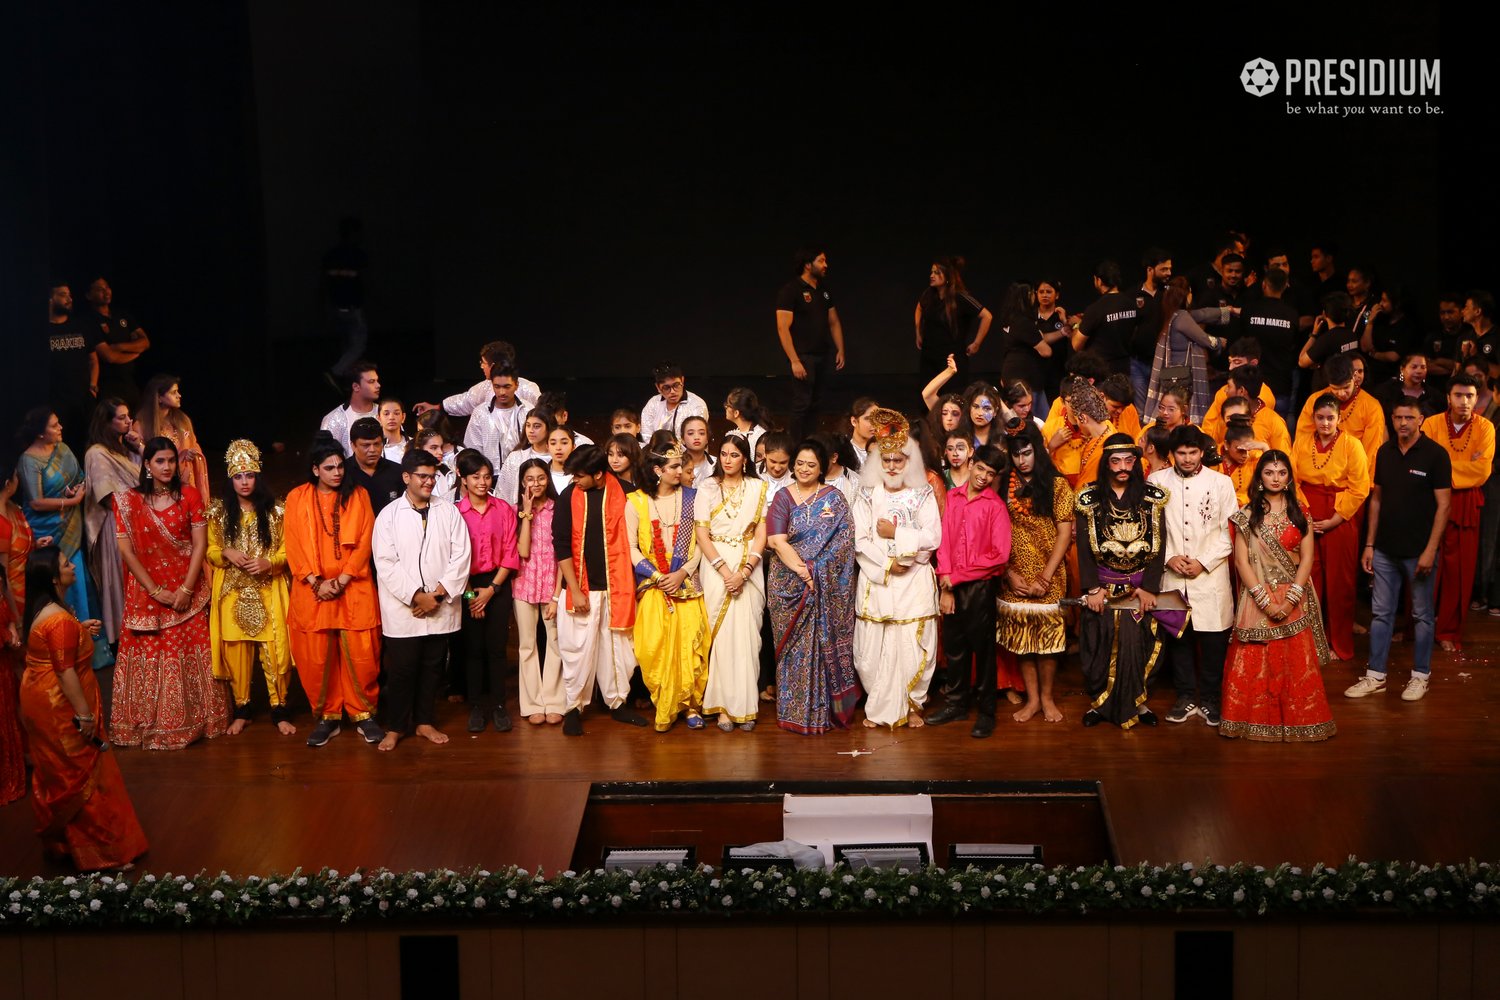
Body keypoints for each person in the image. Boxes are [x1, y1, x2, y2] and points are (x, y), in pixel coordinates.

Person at [19, 547, 149, 870]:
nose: (72, 567)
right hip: (59, 707)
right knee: (81, 776)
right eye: (66, 564)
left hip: (42, 700)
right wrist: (85, 716)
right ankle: (105, 853)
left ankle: (66, 843)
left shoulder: (48, 610)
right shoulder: (58, 621)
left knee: (61, 772)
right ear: (53, 578)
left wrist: (79, 630)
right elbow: (65, 673)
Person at [111, 436, 228, 749]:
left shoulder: (189, 495)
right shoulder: (128, 501)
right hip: (146, 595)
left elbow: (200, 544)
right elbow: (126, 550)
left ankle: (201, 720)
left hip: (186, 589)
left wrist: (186, 589)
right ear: (147, 465)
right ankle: (144, 724)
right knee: (152, 653)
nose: (167, 467)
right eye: (160, 461)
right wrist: (155, 590)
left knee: (187, 651)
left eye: (171, 460)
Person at [1219, 451, 1337, 742]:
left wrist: (1291, 598)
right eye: (1269, 472)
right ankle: (1252, 724)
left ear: (1289, 478)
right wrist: (1265, 601)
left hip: (1292, 593)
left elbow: (1307, 558)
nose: (1276, 478)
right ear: (1260, 477)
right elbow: (1241, 562)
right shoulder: (1247, 515)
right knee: (1255, 661)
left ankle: (1300, 723)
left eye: (1282, 473)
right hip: (1257, 595)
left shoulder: (1300, 512)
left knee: (1294, 663)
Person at [1075, 434, 1184, 729]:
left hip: (1139, 591)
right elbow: (1084, 548)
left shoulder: (1152, 498)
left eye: (1128, 460)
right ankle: (1100, 704)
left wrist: (1149, 588)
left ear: (1136, 462)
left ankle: (1139, 702)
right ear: (1106, 463)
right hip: (1103, 589)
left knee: (1140, 647)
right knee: (1099, 647)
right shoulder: (1088, 499)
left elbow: (1160, 545)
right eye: (1116, 461)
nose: (1123, 467)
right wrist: (1092, 589)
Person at [1346, 401, 1451, 702]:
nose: (1403, 422)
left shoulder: (1436, 455)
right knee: (1381, 614)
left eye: (1409, 417)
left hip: (1419, 551)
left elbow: (1444, 506)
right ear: (1392, 420)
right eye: (1398, 417)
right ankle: (1375, 676)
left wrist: (1430, 550)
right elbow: (1377, 500)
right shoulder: (1384, 452)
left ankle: (1420, 676)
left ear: (1421, 420)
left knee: (1422, 615)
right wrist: (1370, 544)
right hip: (1385, 550)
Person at [284, 434, 385, 748]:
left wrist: (342, 579)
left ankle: (363, 714)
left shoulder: (359, 495)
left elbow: (366, 539)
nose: (337, 472)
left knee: (363, 654)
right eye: (329, 468)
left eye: (340, 466)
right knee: (316, 657)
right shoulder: (297, 498)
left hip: (353, 587)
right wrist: (316, 582)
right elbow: (293, 544)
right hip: (312, 590)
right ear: (316, 469)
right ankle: (328, 716)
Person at [372, 449, 472, 750]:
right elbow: (385, 562)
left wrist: (437, 595)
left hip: (439, 605)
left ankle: (425, 722)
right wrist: (416, 596)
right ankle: (396, 726)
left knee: (432, 668)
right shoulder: (389, 515)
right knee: (402, 671)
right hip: (404, 610)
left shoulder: (448, 511)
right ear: (406, 477)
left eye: (432, 476)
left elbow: (461, 555)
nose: (429, 482)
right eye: (422, 476)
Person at [850, 411, 941, 729]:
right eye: (886, 460)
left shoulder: (922, 493)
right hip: (878, 579)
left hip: (914, 580)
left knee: (912, 645)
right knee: (872, 648)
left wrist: (897, 536)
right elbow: (860, 540)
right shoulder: (866, 493)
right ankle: (878, 706)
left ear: (909, 461)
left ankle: (912, 705)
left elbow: (933, 536)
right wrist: (889, 563)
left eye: (898, 460)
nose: (891, 466)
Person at [765, 438, 860, 733]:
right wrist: (805, 572)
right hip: (787, 586)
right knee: (791, 650)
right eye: (800, 464)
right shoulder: (782, 497)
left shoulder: (835, 499)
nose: (804, 469)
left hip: (825, 587)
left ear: (822, 468)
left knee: (821, 647)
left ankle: (824, 713)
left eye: (811, 464)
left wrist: (817, 571)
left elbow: (845, 542)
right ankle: (793, 712)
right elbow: (775, 541)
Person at [552, 446, 647, 735]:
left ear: (597, 474)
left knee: (618, 649)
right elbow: (561, 545)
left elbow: (639, 541)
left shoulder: (628, 493)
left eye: (579, 475)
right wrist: (574, 589)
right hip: (582, 587)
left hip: (618, 588)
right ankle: (573, 707)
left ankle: (617, 703)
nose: (574, 480)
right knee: (577, 650)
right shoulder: (569, 496)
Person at [1150, 427, 1238, 726]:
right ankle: (1185, 697)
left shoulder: (1221, 483)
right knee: (1179, 638)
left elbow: (1229, 533)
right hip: (1172, 574)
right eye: (1181, 453)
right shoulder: (1157, 482)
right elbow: (1151, 530)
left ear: (1202, 452)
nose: (1187, 459)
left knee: (1213, 640)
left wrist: (1203, 562)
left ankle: (1211, 699)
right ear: (1172, 454)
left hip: (1210, 575)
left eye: (1193, 452)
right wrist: (1168, 557)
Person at [205, 440, 294, 736]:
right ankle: (242, 710)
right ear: (231, 479)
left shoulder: (277, 512)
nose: (244, 482)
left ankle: (279, 710)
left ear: (258, 476)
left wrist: (270, 563)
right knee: (236, 651)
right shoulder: (218, 513)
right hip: (232, 593)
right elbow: (209, 550)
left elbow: (288, 551)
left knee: (275, 651)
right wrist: (226, 552)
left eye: (250, 475)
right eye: (239, 476)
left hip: (268, 590)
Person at [928, 444, 1012, 737]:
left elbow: (999, 556)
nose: (983, 477)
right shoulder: (953, 498)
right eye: (981, 469)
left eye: (990, 474)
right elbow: (944, 542)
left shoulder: (995, 507)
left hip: (979, 588)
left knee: (983, 651)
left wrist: (957, 577)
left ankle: (987, 712)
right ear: (972, 463)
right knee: (955, 647)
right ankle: (956, 704)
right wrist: (946, 581)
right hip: (951, 584)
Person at [625, 440, 709, 731]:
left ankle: (691, 706)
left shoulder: (693, 498)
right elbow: (630, 547)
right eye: (673, 467)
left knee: (691, 643)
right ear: (657, 470)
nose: (680, 472)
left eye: (680, 466)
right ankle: (665, 704)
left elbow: (702, 542)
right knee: (653, 646)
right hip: (654, 584)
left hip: (687, 582)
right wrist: (658, 576)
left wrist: (682, 572)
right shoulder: (636, 501)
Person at [16, 407, 106, 669]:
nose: (60, 428)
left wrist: (74, 490)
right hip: (47, 531)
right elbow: (36, 501)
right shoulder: (28, 460)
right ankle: (61, 650)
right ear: (40, 433)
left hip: (71, 527)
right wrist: (72, 502)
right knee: (54, 583)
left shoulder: (63, 449)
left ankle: (89, 650)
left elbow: (79, 478)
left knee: (77, 581)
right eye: (54, 426)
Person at [997, 429, 1074, 724]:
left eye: (1027, 453)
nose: (1022, 460)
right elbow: (995, 531)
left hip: (1049, 571)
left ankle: (1047, 699)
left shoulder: (1057, 484)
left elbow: (1064, 534)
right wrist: (1008, 573)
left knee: (1048, 642)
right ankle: (1032, 700)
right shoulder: (1004, 484)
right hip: (1014, 572)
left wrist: (1045, 576)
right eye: (1016, 454)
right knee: (1023, 641)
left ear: (1037, 451)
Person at [696, 434, 768, 732]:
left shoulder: (757, 488)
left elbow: (761, 533)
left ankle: (746, 707)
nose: (727, 460)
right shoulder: (707, 487)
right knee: (723, 639)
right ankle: (723, 708)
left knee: (748, 638)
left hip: (749, 564)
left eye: (734, 455)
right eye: (723, 454)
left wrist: (746, 570)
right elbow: (702, 535)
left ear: (745, 459)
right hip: (716, 566)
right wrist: (726, 573)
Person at [1291, 393, 1371, 662]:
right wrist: (1305, 516)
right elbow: (1293, 481)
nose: (1325, 423)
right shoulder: (1302, 442)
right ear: (1313, 418)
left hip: (1340, 517)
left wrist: (1335, 519)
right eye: (1320, 418)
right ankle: (1311, 641)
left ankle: (1339, 643)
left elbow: (1360, 488)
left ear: (1339, 418)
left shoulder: (1352, 445)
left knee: (1340, 583)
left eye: (1330, 418)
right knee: (1309, 580)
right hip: (1308, 515)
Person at [1422, 373, 1496, 652]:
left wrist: (1443, 466)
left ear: (1477, 399)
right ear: (1448, 397)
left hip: (1465, 503)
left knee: (1458, 570)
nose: (1464, 401)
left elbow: (1482, 471)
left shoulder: (1486, 427)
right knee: (1424, 566)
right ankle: (1417, 627)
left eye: (1470, 396)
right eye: (1458, 395)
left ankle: (1448, 631)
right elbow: (1424, 465)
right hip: (1430, 500)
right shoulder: (1431, 424)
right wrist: (1463, 463)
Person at [454, 449, 518, 733]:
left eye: (487, 476)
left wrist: (491, 590)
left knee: (496, 647)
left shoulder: (502, 509)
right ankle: (477, 706)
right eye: (476, 477)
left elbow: (510, 553)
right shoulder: (455, 513)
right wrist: (471, 598)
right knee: (473, 649)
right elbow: (453, 558)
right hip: (466, 584)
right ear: (463, 478)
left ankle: (499, 704)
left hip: (497, 583)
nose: (482, 482)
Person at [83, 399, 142, 651]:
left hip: (137, 520)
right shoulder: (97, 453)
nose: (129, 421)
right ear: (107, 422)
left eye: (129, 416)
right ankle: (123, 637)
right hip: (115, 523)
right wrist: (139, 503)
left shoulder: (124, 448)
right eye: (122, 417)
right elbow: (107, 496)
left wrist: (139, 447)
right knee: (119, 578)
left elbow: (147, 474)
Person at [514, 458, 565, 724]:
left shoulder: (559, 509)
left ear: (548, 479)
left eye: (541, 478)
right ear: (522, 482)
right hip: (524, 586)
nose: (536, 483)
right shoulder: (516, 511)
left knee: (555, 643)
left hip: (552, 586)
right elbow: (523, 551)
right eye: (530, 479)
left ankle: (555, 701)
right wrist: (526, 513)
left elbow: (563, 556)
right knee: (527, 645)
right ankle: (533, 704)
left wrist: (557, 595)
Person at [776, 248, 847, 441]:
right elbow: (783, 328)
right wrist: (794, 360)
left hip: (822, 354)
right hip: (802, 356)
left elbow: (834, 321)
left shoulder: (823, 291)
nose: (825, 265)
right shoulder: (791, 291)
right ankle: (795, 445)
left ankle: (811, 442)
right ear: (808, 265)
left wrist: (840, 348)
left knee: (817, 402)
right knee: (802, 403)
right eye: (821, 261)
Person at [1143, 277, 1233, 425]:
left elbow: (1203, 314)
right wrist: (1219, 342)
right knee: (1181, 413)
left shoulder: (1172, 314)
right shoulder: (1182, 317)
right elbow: (1203, 339)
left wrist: (1227, 311)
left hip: (1172, 375)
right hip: (1183, 378)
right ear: (1187, 295)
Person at [412, 341, 542, 420]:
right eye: (497, 387)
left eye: (483, 362)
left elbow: (543, 414)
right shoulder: (484, 388)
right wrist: (437, 407)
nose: (481, 366)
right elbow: (465, 401)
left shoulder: (529, 389)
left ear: (493, 366)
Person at [915, 255, 992, 386]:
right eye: (931, 272)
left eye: (937, 273)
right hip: (929, 356)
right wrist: (918, 332)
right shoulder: (929, 294)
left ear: (947, 276)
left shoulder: (960, 297)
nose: (932, 275)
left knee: (951, 393)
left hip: (950, 358)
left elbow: (987, 316)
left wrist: (976, 343)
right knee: (927, 393)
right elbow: (919, 308)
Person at [1294, 354, 1387, 461]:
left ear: (1354, 376)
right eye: (1336, 388)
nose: (1342, 393)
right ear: (1329, 384)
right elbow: (1302, 441)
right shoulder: (1314, 401)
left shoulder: (1372, 407)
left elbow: (1371, 454)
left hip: (1354, 468)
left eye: (1346, 387)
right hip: (1315, 465)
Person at [45, 280, 100, 458]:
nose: (69, 299)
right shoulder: (43, 330)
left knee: (87, 443)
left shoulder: (80, 326)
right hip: (57, 401)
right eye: (63, 295)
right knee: (60, 446)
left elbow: (93, 360)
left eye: (70, 295)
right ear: (51, 299)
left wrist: (93, 386)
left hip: (83, 399)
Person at [134, 374, 209, 497]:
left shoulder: (183, 421)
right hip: (158, 489)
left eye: (178, 391)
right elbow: (142, 461)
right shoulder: (141, 426)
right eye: (173, 392)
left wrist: (190, 454)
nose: (179, 395)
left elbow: (194, 446)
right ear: (159, 397)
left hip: (185, 483)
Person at [84, 277, 151, 408]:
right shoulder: (89, 321)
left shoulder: (122, 315)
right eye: (100, 289)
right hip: (108, 386)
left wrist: (118, 346)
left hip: (130, 382)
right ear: (88, 295)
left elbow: (145, 342)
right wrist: (136, 352)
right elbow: (110, 356)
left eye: (107, 287)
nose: (106, 291)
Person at [323, 216, 370, 382]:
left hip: (337, 305)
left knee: (346, 342)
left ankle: (346, 377)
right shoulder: (357, 255)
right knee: (358, 343)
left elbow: (326, 281)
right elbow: (363, 279)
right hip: (352, 305)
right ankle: (337, 372)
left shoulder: (332, 255)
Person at [1072, 260, 1138, 378]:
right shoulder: (1131, 304)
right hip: (1125, 369)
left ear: (1099, 280)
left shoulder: (1095, 309)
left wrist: (1077, 325)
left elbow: (1076, 345)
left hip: (1102, 372)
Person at [463, 363, 531, 474]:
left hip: (524, 474)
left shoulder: (528, 410)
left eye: (507, 387)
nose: (502, 392)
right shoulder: (480, 413)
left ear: (516, 385)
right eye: (497, 387)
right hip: (491, 477)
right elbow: (472, 451)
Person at [999, 284, 1053, 416]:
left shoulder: (1009, 319)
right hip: (1027, 378)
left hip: (1010, 373)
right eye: (1032, 293)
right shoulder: (1023, 322)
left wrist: (1062, 332)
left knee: (1012, 416)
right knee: (1038, 419)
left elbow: (1039, 338)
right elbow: (1046, 351)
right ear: (1026, 296)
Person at [1372, 353, 1444, 439]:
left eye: (1423, 367)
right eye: (1414, 367)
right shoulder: (1386, 392)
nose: (1419, 371)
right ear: (1402, 369)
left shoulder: (1434, 396)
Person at [318, 361, 381, 458]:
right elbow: (326, 458)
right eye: (371, 381)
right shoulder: (334, 419)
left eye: (377, 381)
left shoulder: (386, 414)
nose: (378, 385)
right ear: (356, 386)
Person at [345, 416, 404, 516]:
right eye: (366, 445)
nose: (372, 450)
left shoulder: (397, 472)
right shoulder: (342, 472)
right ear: (353, 445)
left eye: (376, 444)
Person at [639, 362, 709, 440]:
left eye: (676, 385)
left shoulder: (697, 405)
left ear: (682, 381)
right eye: (666, 388)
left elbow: (695, 439)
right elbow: (646, 436)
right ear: (658, 387)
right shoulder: (653, 403)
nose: (672, 391)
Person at [496, 410, 554, 503]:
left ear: (549, 428)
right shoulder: (515, 458)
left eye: (537, 426)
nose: (531, 430)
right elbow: (502, 494)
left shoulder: (558, 457)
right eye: (528, 425)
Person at [681, 415, 716, 487]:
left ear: (707, 438)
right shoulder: (677, 464)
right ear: (682, 439)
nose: (696, 437)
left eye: (701, 433)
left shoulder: (717, 464)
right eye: (691, 433)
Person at [847, 397, 880, 469]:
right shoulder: (844, 452)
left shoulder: (886, 450)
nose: (875, 424)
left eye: (877, 419)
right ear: (854, 421)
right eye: (868, 419)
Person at [547, 423, 578, 495]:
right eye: (553, 443)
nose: (558, 448)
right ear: (547, 447)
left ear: (573, 447)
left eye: (564, 443)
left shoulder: (582, 475)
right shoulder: (542, 474)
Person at [377, 397, 410, 463]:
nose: (391, 417)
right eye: (386, 414)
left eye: (396, 413)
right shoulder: (374, 447)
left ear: (403, 417)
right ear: (379, 418)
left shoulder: (414, 443)